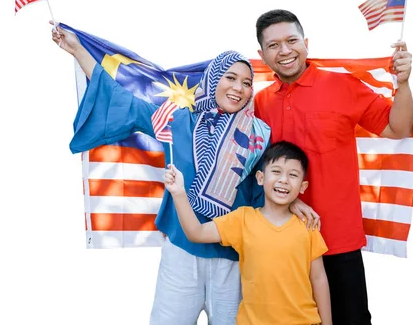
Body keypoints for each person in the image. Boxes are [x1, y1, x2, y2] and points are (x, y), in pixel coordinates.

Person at [50, 24, 278, 325]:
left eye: (247, 83)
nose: (239, 88)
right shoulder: (177, 121)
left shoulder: (258, 135)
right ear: (212, 79)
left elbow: (266, 194)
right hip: (181, 251)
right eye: (231, 78)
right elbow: (124, 102)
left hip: (233, 256)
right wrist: (78, 49)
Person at [252, 9, 413, 325]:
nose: (284, 51)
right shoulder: (260, 102)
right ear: (262, 54)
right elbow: (254, 168)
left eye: (291, 40)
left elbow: (399, 129)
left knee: (350, 319)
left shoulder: (343, 86)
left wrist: (404, 84)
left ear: (306, 43)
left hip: (336, 238)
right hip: (279, 239)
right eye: (273, 46)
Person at [164, 140, 332, 325]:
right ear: (260, 178)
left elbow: (318, 278)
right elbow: (196, 233)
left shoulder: (306, 225)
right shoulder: (242, 220)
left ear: (302, 186)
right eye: (276, 171)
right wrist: (178, 193)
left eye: (293, 175)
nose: (284, 180)